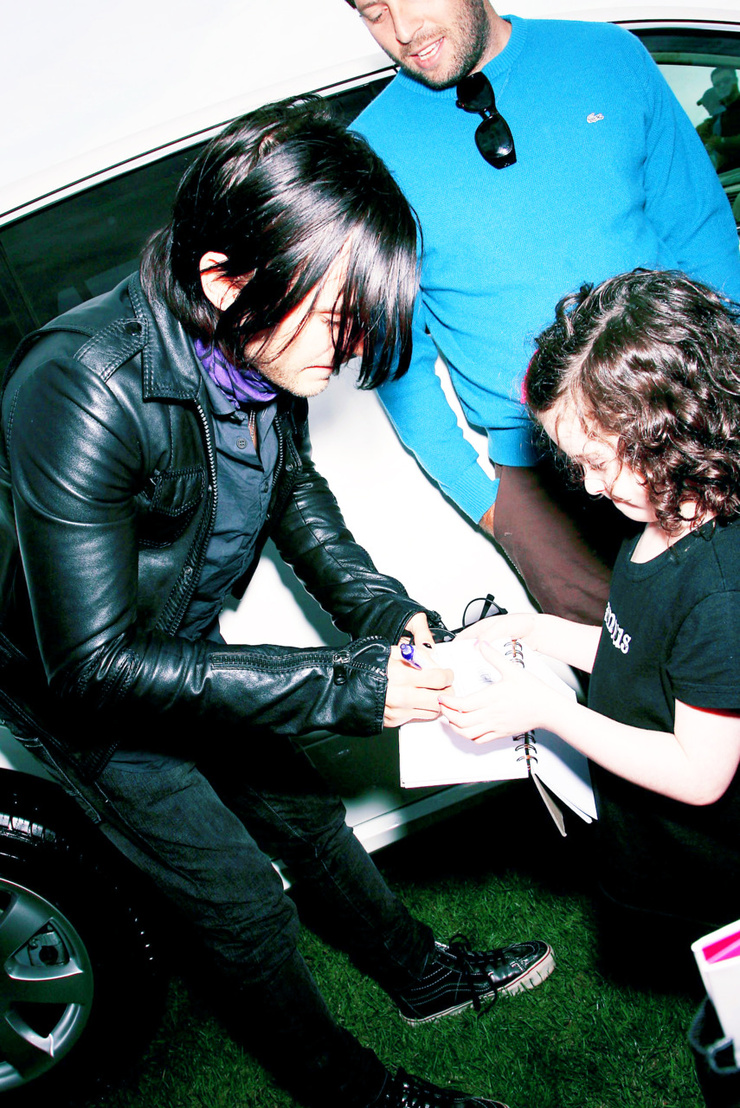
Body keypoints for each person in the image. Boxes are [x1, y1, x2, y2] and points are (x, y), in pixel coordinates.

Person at [0, 100, 554, 1108]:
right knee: (244, 906)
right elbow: (94, 664)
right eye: (341, 318)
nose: (351, 346)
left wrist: (383, 614)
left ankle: (422, 978)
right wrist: (347, 686)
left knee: (305, 817)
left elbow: (298, 502)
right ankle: (353, 1095)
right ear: (225, 276)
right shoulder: (80, 385)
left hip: (173, 643)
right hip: (83, 688)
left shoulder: (255, 342)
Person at [344, 0, 740, 624]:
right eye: (374, 11)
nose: (403, 30)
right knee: (620, 673)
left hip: (689, 427)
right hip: (544, 485)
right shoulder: (369, 153)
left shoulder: (606, 57)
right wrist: (490, 506)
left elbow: (702, 233)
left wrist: (729, 396)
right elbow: (398, 363)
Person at [438, 269, 740, 949]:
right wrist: (537, 630)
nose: (591, 486)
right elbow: (642, 655)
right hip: (655, 835)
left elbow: (700, 773)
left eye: (599, 462)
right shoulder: (657, 522)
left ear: (673, 426)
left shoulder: (722, 591)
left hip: (714, 865)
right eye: (578, 464)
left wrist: (551, 712)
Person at [700, 67, 740, 173]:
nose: (722, 86)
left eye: (726, 81)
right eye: (717, 85)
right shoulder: (718, 117)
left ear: (735, 80)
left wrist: (721, 142)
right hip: (726, 178)